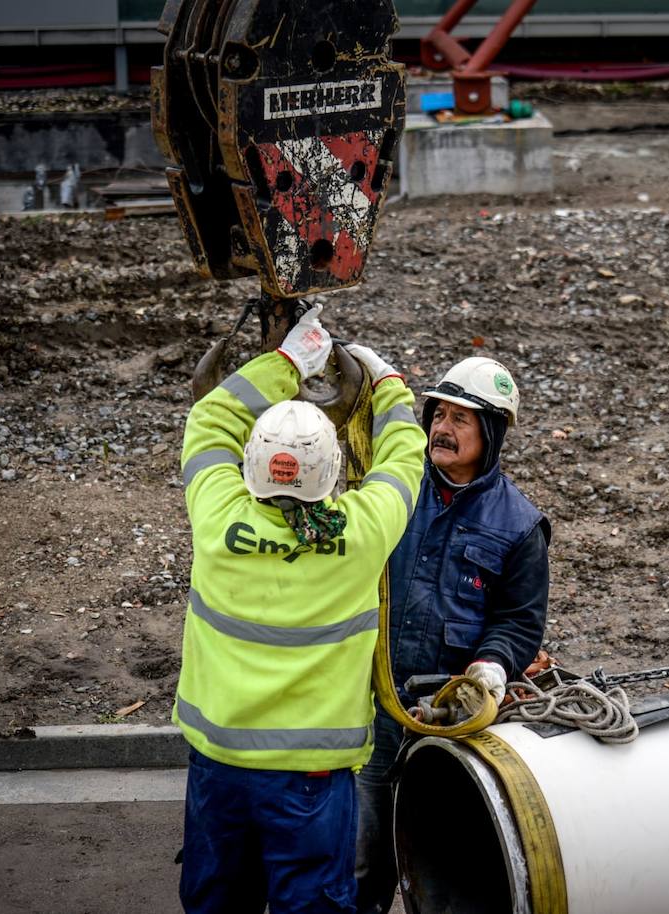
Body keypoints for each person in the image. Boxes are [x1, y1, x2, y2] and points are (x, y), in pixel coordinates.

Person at [174, 305, 426, 914]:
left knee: (217, 901)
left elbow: (209, 421)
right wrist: (390, 387)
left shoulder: (217, 521)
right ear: (333, 471)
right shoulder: (361, 535)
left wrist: (287, 361)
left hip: (221, 767)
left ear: (250, 466)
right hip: (312, 780)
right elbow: (403, 461)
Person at [354, 356, 551, 914]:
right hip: (369, 705)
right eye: (438, 413)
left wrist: (492, 664)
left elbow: (518, 622)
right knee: (359, 856)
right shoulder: (391, 487)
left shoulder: (518, 525)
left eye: (461, 419)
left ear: (490, 432)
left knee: (440, 864)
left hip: (449, 726)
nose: (442, 426)